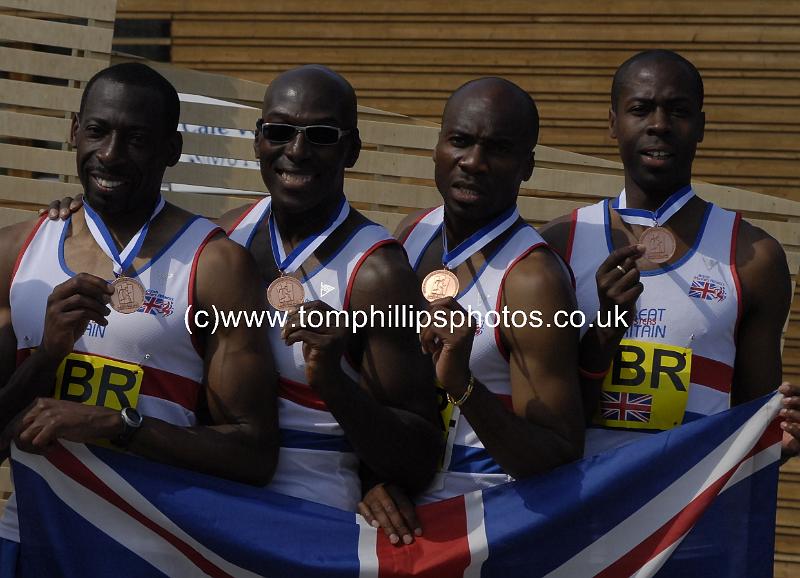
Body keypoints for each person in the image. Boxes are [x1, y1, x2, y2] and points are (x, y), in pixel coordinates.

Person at [0, 63, 279, 573]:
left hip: (152, 551)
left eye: (136, 139)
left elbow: (253, 454)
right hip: (34, 539)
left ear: (172, 149)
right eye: (97, 131)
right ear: (74, 131)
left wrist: (120, 425)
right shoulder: (15, 253)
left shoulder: (215, 265)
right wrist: (46, 357)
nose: (110, 154)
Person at [539, 49, 800, 459]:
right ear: (613, 123)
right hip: (580, 496)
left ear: (701, 126)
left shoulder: (754, 258)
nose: (659, 124)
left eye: (678, 111)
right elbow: (534, 411)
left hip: (687, 499)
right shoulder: (556, 244)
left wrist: (777, 442)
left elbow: (753, 429)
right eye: (640, 109)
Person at [359, 77, 585, 541]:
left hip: (485, 528)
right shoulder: (410, 233)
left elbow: (558, 455)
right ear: (438, 146)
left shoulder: (533, 279)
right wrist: (374, 477)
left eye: (497, 149)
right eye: (460, 141)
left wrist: (463, 385)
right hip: (399, 522)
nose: (474, 162)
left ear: (527, 166)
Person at [217, 65, 442, 518]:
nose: (296, 151)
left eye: (320, 136)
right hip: (212, 500)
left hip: (313, 518)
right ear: (257, 139)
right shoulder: (225, 236)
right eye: (280, 131)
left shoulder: (377, 273)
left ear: (352, 149)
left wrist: (334, 383)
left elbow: (419, 456)